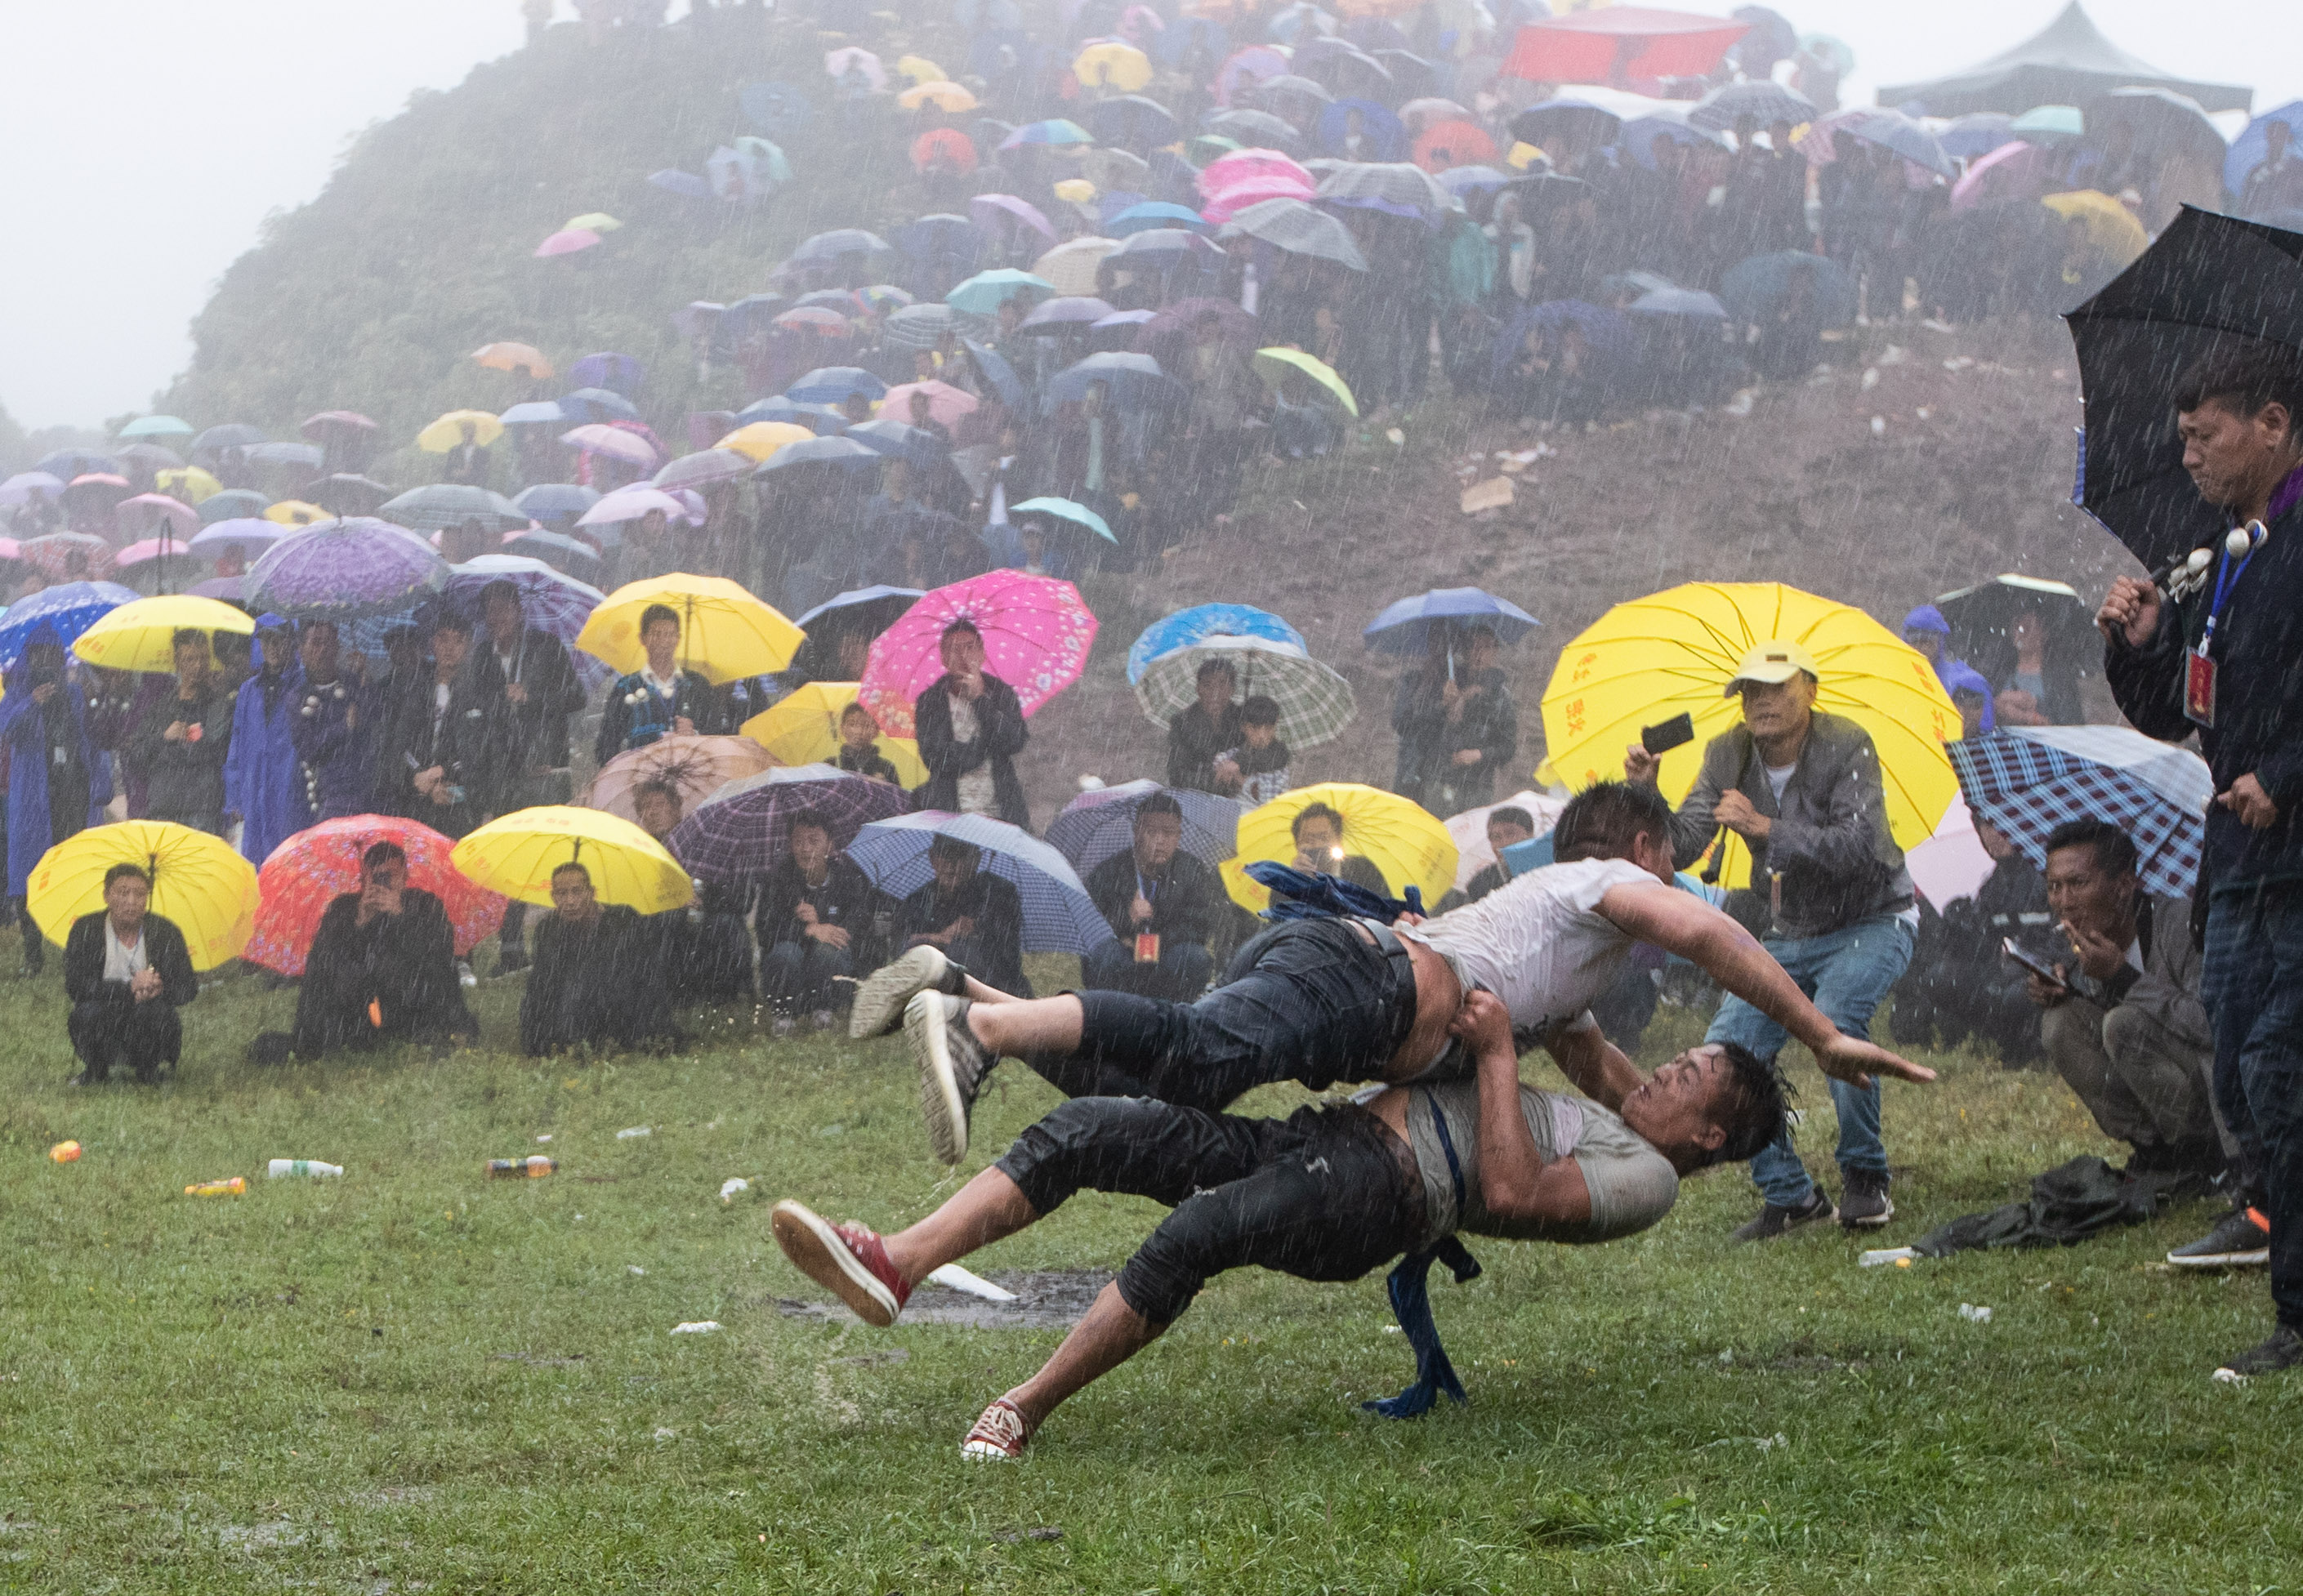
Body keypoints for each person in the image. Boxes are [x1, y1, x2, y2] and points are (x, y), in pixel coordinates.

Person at [770, 1001, 1788, 1460]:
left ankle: (1022, 1407)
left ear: (1706, 1134)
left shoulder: (1647, 1179)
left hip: (1372, 1197)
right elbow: (1582, 1030)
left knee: (1194, 1233)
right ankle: (899, 1262)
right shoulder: (1629, 1118)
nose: (1664, 1068)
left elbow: (1516, 1190)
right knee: (1088, 1130)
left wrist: (1491, 1053)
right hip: (1326, 1137)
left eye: (1687, 1075)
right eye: (1677, 1058)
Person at [856, 782, 1930, 1164]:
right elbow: (1712, 940)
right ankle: (982, 1033)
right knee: (1195, 1051)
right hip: (1360, 981)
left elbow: (1599, 1069)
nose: (1682, 877)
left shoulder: (1563, 954)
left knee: (1168, 1080)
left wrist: (1666, 1148)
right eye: (1674, 857)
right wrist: (1818, 1032)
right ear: (1643, 849)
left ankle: (963, 990)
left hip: (1351, 980)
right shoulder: (1611, 882)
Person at [2096, 346, 2303, 1375]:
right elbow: (2182, 709)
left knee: (2278, 1067)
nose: (2187, 455)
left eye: (2203, 434)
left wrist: (2286, 774)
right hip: (2239, 861)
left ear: (2271, 423)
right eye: (2180, 438)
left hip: (2293, 852)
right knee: (2240, 1069)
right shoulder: (2226, 555)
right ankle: (2275, 1244)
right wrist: (2144, 642)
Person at [1626, 639, 1916, 1240]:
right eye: (1750, 690)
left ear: (1810, 690)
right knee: (1728, 1051)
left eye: (1777, 688)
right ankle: (1790, 1195)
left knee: (1837, 1023)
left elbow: (1859, 847)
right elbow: (1682, 847)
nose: (1762, 701)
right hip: (1788, 929)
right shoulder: (1727, 752)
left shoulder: (1847, 743)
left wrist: (1764, 828)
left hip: (1873, 918)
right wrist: (1647, 795)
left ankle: (1865, 1176)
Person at [2025, 820, 2221, 1177]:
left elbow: (2213, 1026)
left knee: (2124, 1023)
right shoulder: (2088, 943)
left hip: (2210, 1093)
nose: (2064, 902)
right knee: (2061, 1023)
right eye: (2054, 887)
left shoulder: (2180, 924)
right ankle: (2154, 1151)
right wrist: (2068, 991)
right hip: (2160, 1099)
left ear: (2123, 886)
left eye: (2078, 884)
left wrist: (2124, 978)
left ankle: (2201, 1154)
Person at [264, 842, 479, 1060]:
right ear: (363, 877)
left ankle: (435, 1031)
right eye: (375, 877)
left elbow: (439, 958)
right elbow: (324, 962)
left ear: (405, 875)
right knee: (325, 965)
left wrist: (401, 917)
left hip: (412, 1004)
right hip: (356, 1011)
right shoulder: (343, 908)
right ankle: (319, 1039)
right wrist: (359, 922)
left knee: (434, 969)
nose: (383, 883)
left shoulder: (425, 905)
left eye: (389, 876)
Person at [478, 578, 587, 971]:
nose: (497, 618)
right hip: (506, 775)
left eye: (504, 609)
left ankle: (570, 941)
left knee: (556, 858)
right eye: (490, 612)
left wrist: (532, 697)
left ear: (519, 611)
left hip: (546, 771)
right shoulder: (482, 657)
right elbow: (477, 710)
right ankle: (511, 949)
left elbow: (576, 697)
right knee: (512, 860)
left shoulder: (545, 647)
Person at [1890, 817, 2049, 1063]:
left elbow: (2055, 938)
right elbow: (1979, 941)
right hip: (1999, 971)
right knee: (1939, 977)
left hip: (2036, 971)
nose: (1994, 835)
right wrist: (1957, 924)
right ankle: (1997, 1036)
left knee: (2015, 994)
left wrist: (2025, 955)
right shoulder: (1995, 880)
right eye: (1986, 827)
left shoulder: (2043, 876)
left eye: (1999, 826)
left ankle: (2027, 1046)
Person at [1, 631, 109, 976]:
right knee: (28, 873)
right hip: (32, 800)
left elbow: (92, 738)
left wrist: (95, 699)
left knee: (73, 870)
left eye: (52, 654)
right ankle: (33, 955)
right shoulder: (17, 695)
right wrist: (32, 703)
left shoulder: (74, 693)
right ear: (28, 658)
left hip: (71, 796)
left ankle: (76, 949)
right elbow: (7, 730)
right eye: (39, 655)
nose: (46, 662)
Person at [519, 862, 676, 1056]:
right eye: (562, 893)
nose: (570, 901)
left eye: (577, 891)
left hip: (617, 1005)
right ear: (553, 897)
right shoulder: (548, 928)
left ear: (591, 893)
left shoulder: (622, 921)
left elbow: (641, 976)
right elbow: (543, 982)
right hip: (570, 1008)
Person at [64, 862, 197, 1086]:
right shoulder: (86, 929)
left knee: (158, 1015)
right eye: (123, 893)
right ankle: (96, 1069)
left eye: (140, 894)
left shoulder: (165, 931)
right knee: (85, 1015)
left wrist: (160, 989)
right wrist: (128, 989)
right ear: (106, 895)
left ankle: (149, 1070)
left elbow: (188, 988)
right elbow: (76, 986)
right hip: (103, 1010)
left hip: (147, 1015)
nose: (131, 901)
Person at [1080, 794, 1221, 1000]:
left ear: (1179, 836)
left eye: (1168, 833)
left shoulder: (1191, 870)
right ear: (1137, 832)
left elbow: (1199, 926)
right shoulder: (1109, 871)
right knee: (1104, 957)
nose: (1160, 841)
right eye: (1152, 832)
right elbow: (1091, 924)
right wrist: (1127, 918)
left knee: (1194, 958)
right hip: (1124, 954)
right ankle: (1115, 1012)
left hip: (1168, 955)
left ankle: (1175, 1010)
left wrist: (1153, 944)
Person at [757, 808, 882, 1032]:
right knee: (785, 953)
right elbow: (765, 930)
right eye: (798, 841)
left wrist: (823, 922)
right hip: (792, 975)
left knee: (830, 950)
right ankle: (784, 1014)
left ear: (830, 845)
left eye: (814, 841)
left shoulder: (848, 878)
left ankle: (825, 1010)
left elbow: (859, 923)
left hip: (830, 975)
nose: (805, 849)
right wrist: (807, 930)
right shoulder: (779, 879)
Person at [632, 778, 756, 1004]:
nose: (653, 812)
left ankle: (731, 992)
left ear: (676, 808)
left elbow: (740, 898)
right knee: (658, 925)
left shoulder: (708, 838)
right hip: (669, 922)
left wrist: (705, 898)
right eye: (646, 807)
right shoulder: (641, 853)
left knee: (726, 925)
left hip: (710, 915)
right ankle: (672, 994)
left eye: (660, 804)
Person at [380, 612, 501, 837]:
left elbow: (482, 755)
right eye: (443, 639)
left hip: (462, 812)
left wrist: (445, 774)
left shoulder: (481, 694)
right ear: (432, 643)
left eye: (459, 640)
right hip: (415, 809)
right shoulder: (415, 689)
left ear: (469, 645)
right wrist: (416, 776)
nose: (449, 648)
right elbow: (398, 746)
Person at [913, 620, 1029, 827]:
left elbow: (1014, 741)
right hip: (950, 813)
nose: (963, 655)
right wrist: (982, 747)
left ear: (982, 653)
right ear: (943, 657)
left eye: (969, 647)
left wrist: (979, 699)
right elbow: (934, 758)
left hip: (1002, 812)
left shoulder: (1001, 693)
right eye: (953, 649)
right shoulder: (930, 701)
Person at [886, 834, 1029, 1001]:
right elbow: (900, 948)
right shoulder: (918, 899)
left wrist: (978, 928)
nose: (951, 864)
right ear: (932, 858)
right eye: (945, 855)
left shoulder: (999, 893)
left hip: (996, 990)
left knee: (961, 952)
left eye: (960, 856)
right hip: (932, 992)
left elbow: (1005, 953)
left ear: (976, 859)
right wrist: (939, 938)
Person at [222, 616, 313, 866]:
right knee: (254, 871)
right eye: (266, 640)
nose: (272, 647)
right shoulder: (248, 690)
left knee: (289, 866)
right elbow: (236, 746)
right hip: (253, 796)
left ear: (292, 642)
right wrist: (234, 798)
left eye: (279, 640)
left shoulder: (305, 686)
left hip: (291, 795)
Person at [127, 629, 234, 835]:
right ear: (177, 662)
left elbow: (218, 751)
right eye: (190, 659)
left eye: (203, 658)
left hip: (203, 812)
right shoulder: (161, 708)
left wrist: (189, 742)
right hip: (163, 810)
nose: (198, 666)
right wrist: (164, 738)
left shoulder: (219, 706)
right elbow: (136, 757)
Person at [595, 603, 723, 761]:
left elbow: (718, 738)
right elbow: (606, 746)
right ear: (642, 638)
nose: (664, 641)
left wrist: (695, 734)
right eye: (656, 634)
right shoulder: (626, 687)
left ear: (678, 639)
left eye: (670, 634)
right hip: (641, 773)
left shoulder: (697, 685)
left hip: (690, 771)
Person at [289, 622, 381, 820]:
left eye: (329, 643)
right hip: (330, 797)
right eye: (316, 643)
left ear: (338, 648)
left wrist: (365, 681)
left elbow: (377, 720)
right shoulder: (297, 698)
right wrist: (344, 727)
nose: (323, 650)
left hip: (369, 792)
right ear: (301, 651)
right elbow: (309, 749)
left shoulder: (354, 682)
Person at [1165, 658, 1242, 794]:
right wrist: (1217, 774)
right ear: (1198, 689)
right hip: (1196, 796)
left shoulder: (1243, 719)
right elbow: (1177, 774)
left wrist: (1238, 772)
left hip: (1239, 795)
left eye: (1222, 684)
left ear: (1232, 689)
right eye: (1207, 685)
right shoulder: (1182, 722)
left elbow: (1255, 760)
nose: (1215, 692)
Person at [1287, 802, 1390, 899]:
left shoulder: (1363, 870)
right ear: (1297, 844)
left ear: (1338, 839)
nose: (1318, 845)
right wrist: (1298, 882)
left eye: (1324, 838)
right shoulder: (1286, 883)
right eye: (1309, 840)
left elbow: (1383, 907)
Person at [1211, 694, 1291, 805]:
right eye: (1255, 728)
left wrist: (1239, 778)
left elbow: (1271, 799)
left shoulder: (1279, 760)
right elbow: (1214, 784)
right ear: (1243, 727)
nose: (1262, 735)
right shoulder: (1229, 756)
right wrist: (1224, 774)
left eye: (1268, 728)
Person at [1460, 805, 1539, 905]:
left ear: (1530, 835)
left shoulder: (1548, 872)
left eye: (1511, 834)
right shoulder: (1481, 883)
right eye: (1496, 837)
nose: (1504, 843)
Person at [833, 701, 903, 785]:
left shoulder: (886, 767)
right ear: (842, 728)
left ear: (876, 731)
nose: (859, 731)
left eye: (866, 725)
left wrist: (884, 787)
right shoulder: (832, 764)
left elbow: (896, 793)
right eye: (852, 724)